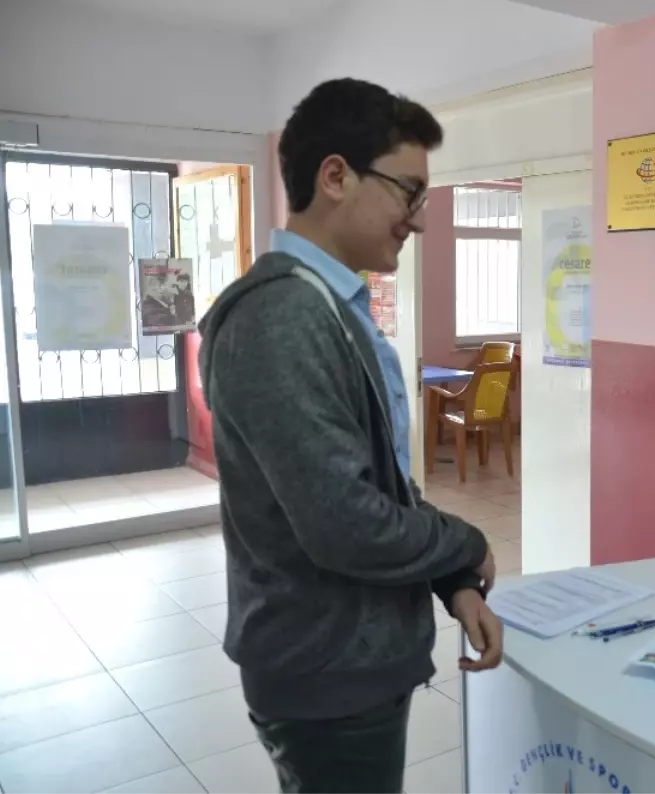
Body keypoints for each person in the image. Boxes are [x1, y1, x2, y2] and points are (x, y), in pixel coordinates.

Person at [199, 78, 503, 794]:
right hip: (324, 669)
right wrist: (465, 543)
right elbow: (345, 524)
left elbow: (381, 487)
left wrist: (451, 581)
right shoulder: (282, 319)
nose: (420, 221)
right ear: (335, 176)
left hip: (349, 660)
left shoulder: (329, 308)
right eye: (409, 192)